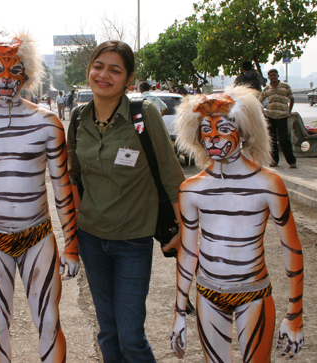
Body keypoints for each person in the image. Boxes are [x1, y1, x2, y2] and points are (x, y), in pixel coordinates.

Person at [0, 31, 79, 363]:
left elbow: (61, 187)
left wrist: (71, 243)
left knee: (50, 321)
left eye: (14, 70)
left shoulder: (47, 123)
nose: (6, 79)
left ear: (26, 75)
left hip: (38, 235)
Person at [67, 40, 185, 363]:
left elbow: (173, 178)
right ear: (88, 70)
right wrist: (75, 229)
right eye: (98, 66)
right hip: (91, 239)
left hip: (133, 242)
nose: (104, 75)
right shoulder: (78, 119)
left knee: (131, 337)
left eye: (115, 70)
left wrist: (188, 232)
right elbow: (73, 176)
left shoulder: (143, 115)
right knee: (108, 332)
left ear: (128, 79)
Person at [170, 86, 304, 362]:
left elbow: (292, 248)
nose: (214, 139)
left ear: (243, 131)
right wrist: (179, 313)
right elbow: (188, 252)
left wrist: (295, 316)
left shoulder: (268, 184)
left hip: (253, 293)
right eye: (206, 131)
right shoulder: (192, 189)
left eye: (224, 129)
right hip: (207, 293)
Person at [259, 68, 297, 168]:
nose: (273, 77)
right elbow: (259, 101)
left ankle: (291, 161)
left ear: (278, 76)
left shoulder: (285, 86)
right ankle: (274, 161)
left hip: (283, 117)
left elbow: (292, 99)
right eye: (271, 75)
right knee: (272, 140)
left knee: (284, 139)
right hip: (271, 116)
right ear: (268, 78)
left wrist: (289, 111)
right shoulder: (266, 89)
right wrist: (264, 113)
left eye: (274, 75)